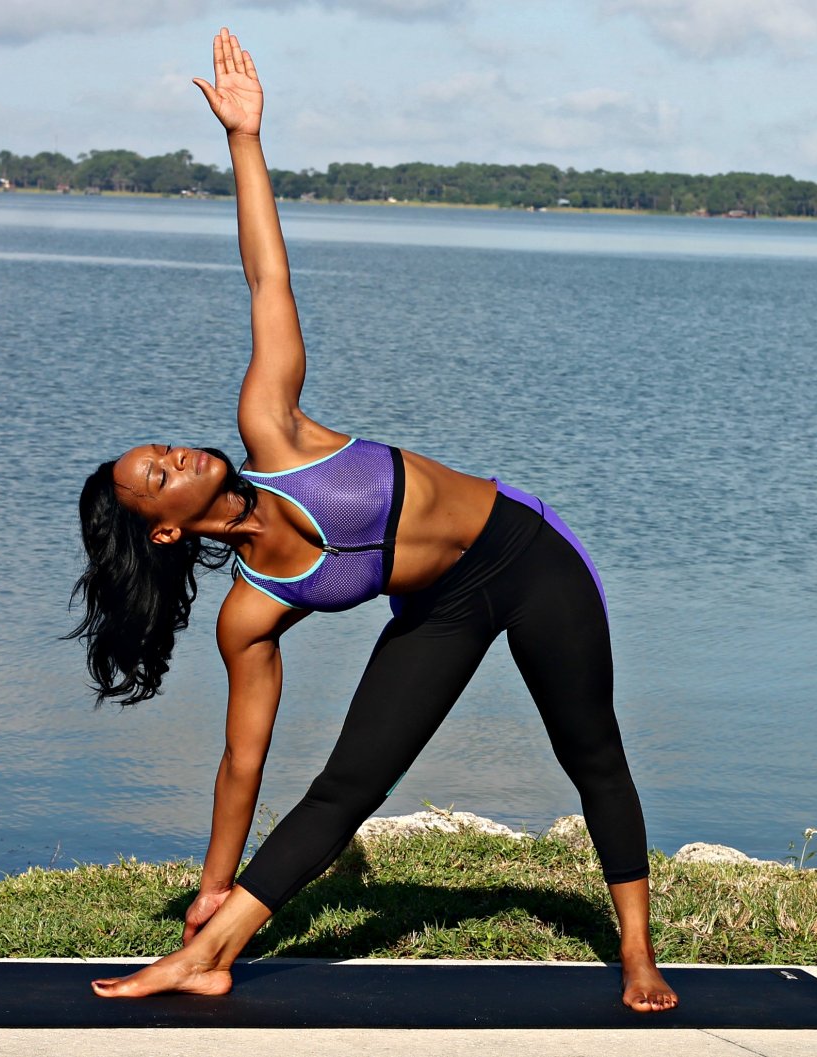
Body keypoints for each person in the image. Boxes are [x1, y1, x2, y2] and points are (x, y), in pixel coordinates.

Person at [70, 27, 677, 1013]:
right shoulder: (252, 612)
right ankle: (210, 949)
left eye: (162, 447)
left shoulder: (274, 425)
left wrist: (245, 140)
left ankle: (639, 954)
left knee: (591, 748)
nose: (173, 454)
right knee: (347, 787)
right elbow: (242, 761)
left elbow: (268, 280)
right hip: (438, 608)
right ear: (167, 530)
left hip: (525, 556)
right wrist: (215, 879)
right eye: (157, 474)